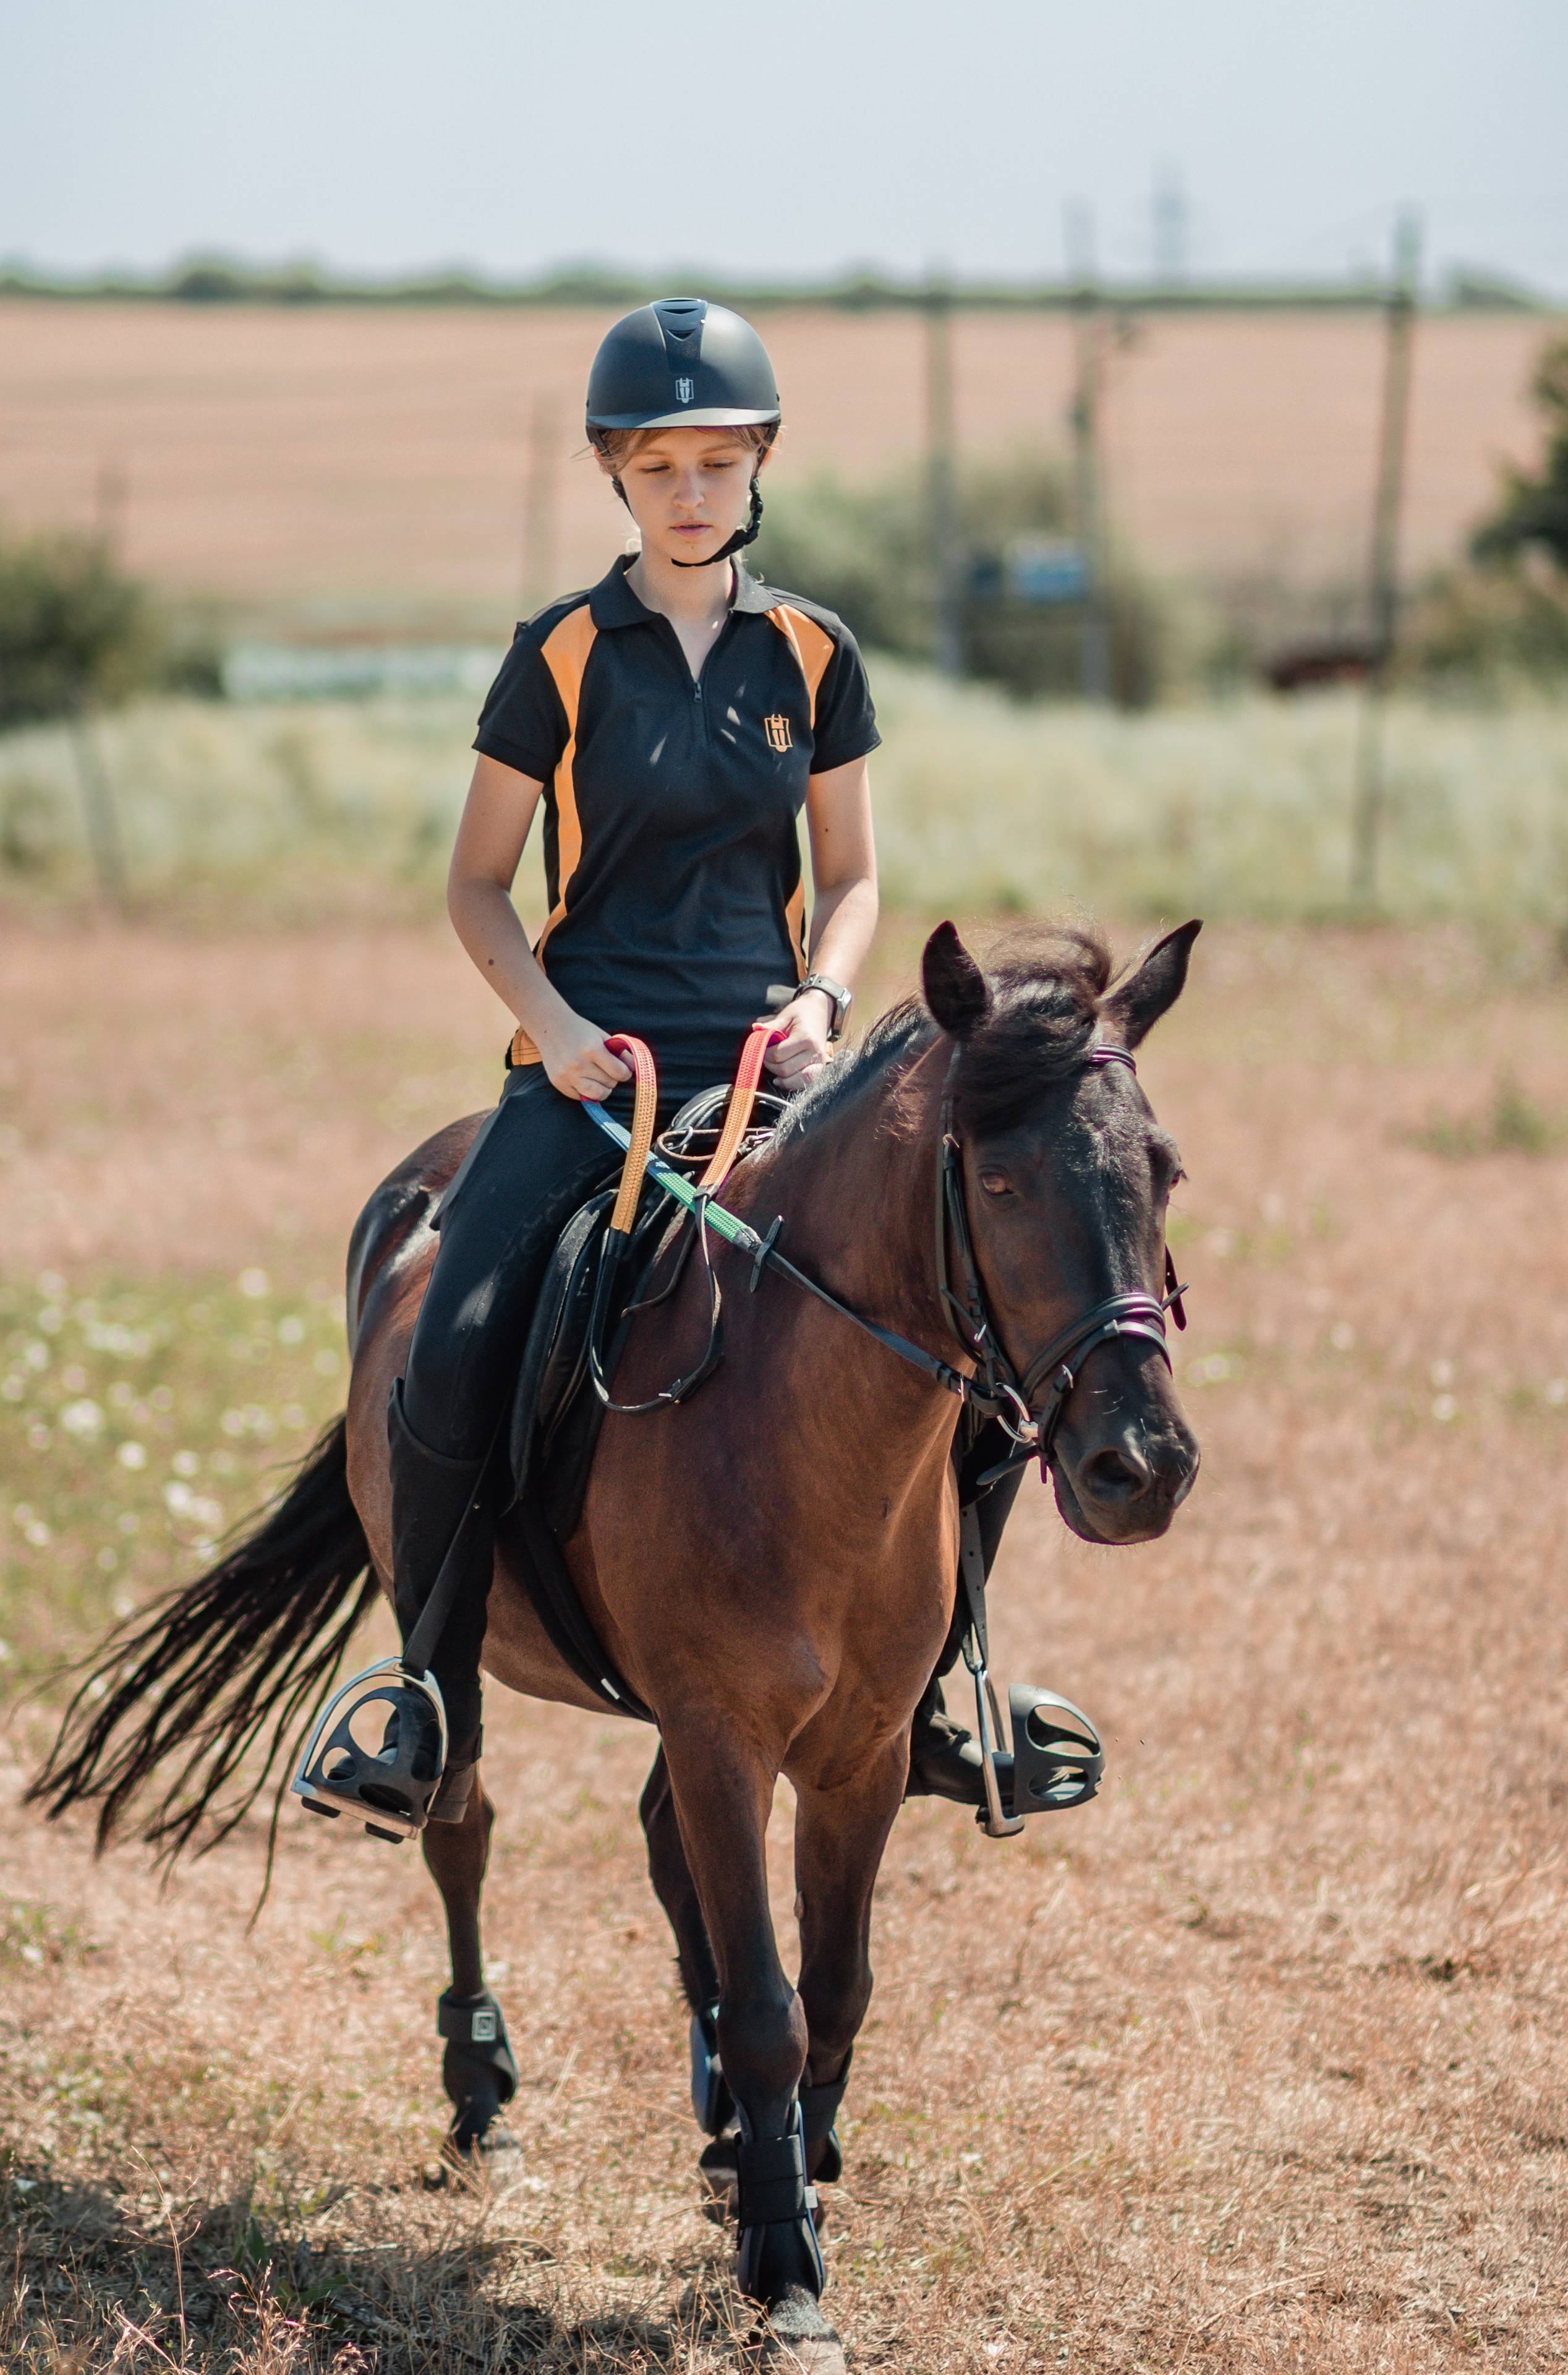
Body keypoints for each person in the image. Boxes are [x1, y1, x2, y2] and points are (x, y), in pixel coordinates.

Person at [330, 296, 1010, 1832]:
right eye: (657, 466)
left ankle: (951, 1682)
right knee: (453, 1343)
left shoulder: (813, 651)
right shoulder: (559, 657)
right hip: (588, 1071)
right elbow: (475, 885)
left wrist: (825, 1007)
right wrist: (556, 1034)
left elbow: (849, 879)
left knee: (966, 1321)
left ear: (759, 463)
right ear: (614, 478)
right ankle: (426, 1695)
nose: (690, 491)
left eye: (717, 460)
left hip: (776, 1071)